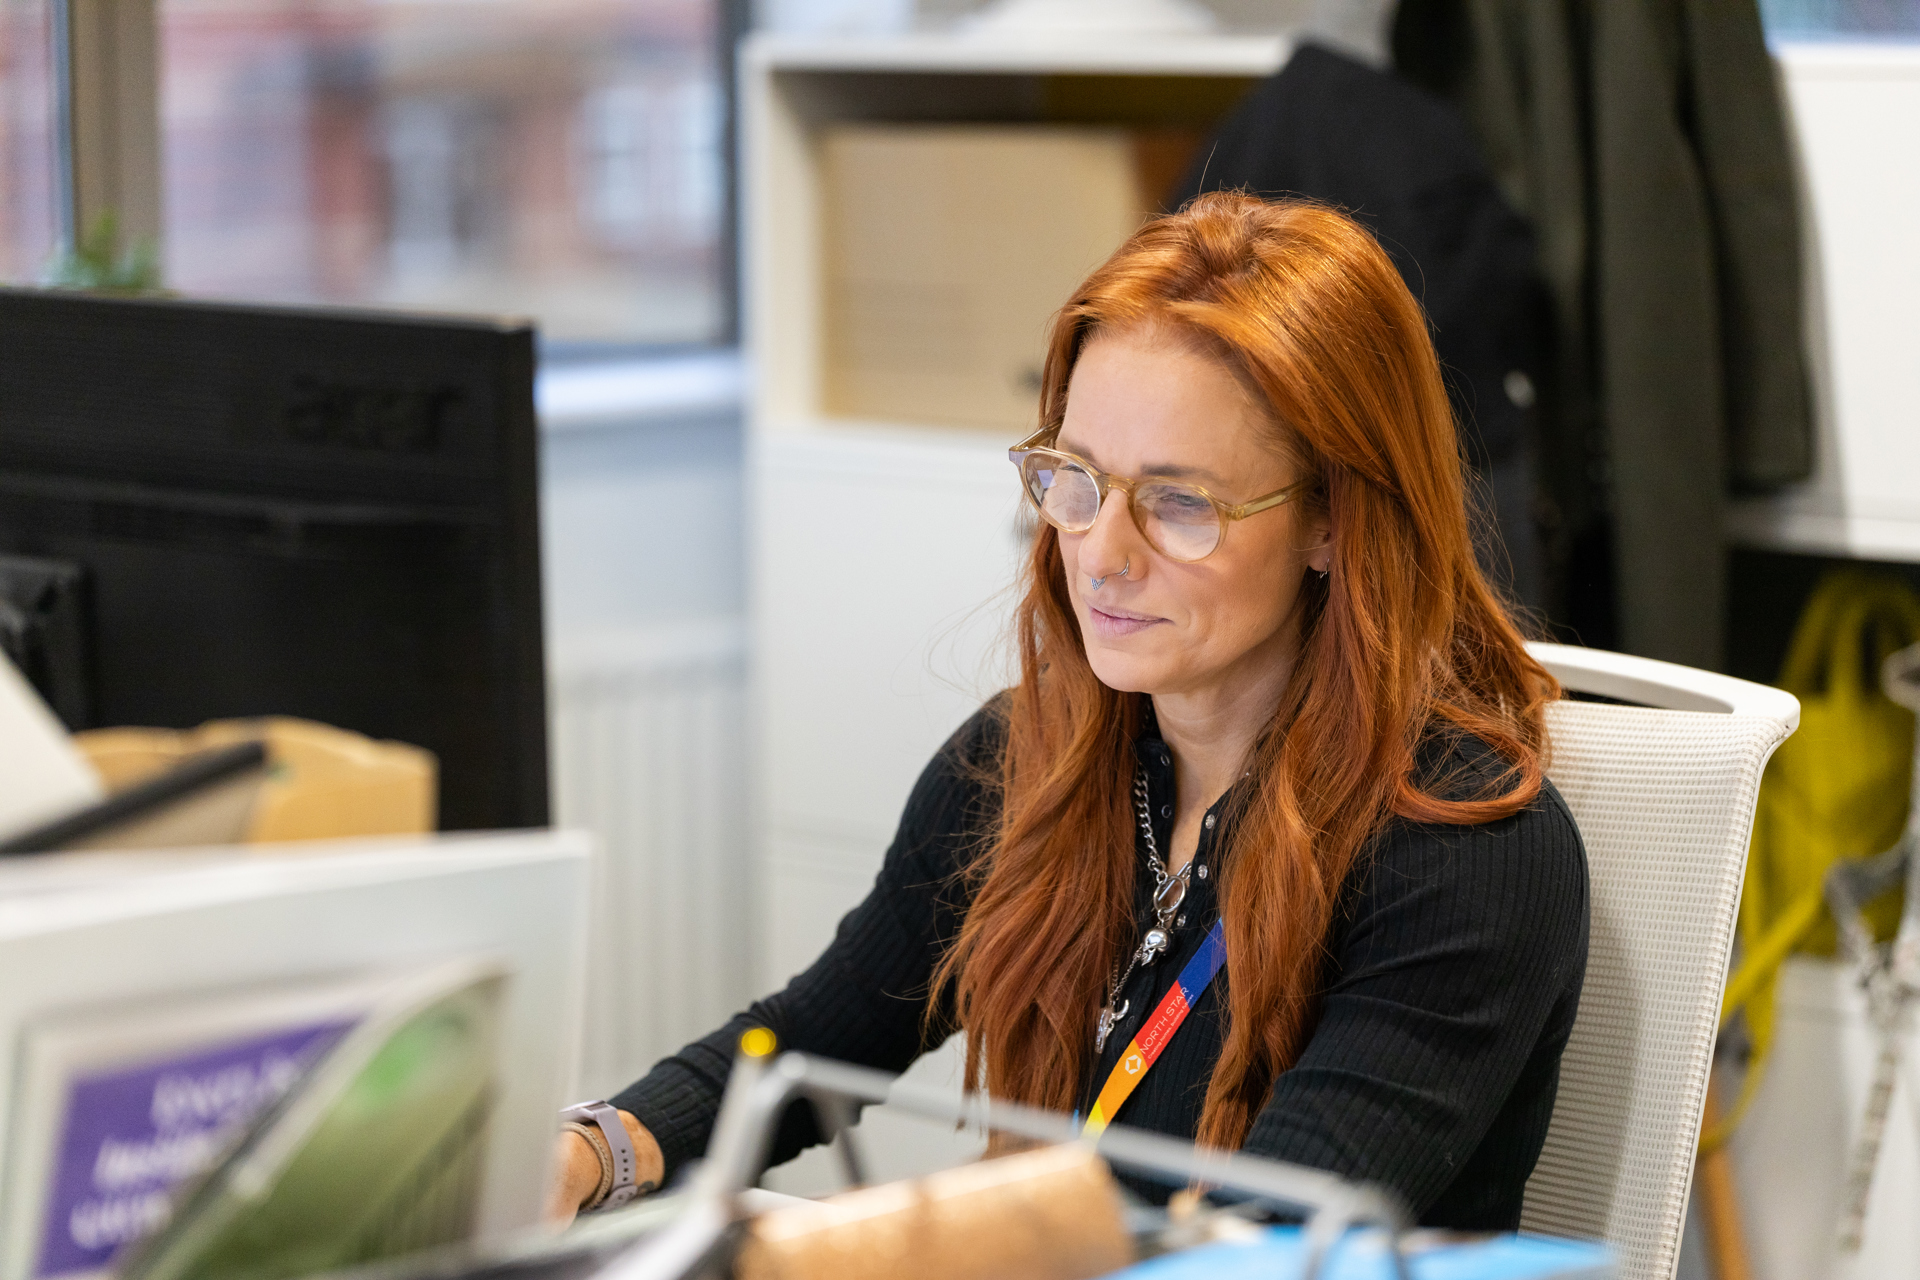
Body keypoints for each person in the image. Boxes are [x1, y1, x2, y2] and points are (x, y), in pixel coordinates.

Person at [549, 192, 1588, 1230]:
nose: (1101, 551)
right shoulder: (1028, 755)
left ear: (1332, 520)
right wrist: (590, 1151)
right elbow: (815, 1034)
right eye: (1076, 477)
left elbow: (1260, 1244)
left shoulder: (1463, 846)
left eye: (1180, 502)